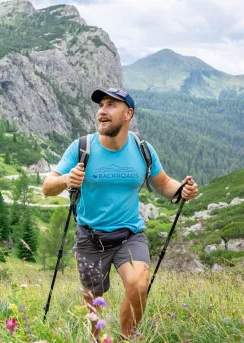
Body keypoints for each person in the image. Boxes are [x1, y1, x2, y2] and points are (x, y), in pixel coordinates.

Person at [42, 88, 198, 340]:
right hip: (90, 239)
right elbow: (47, 187)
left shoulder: (142, 150)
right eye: (101, 105)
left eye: (111, 105)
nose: (102, 111)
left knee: (138, 285)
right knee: (93, 302)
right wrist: (66, 180)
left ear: (128, 114)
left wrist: (182, 190)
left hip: (130, 235)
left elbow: (163, 184)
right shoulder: (82, 147)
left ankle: (127, 337)